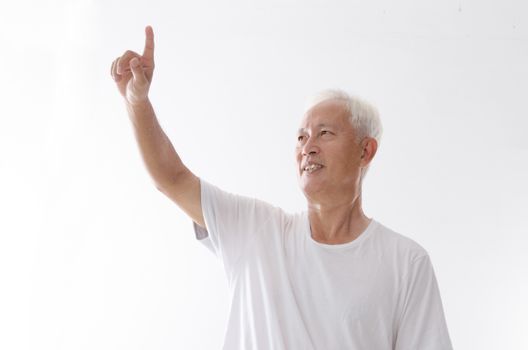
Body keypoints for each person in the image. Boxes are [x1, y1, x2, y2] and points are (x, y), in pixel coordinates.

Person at [110, 26, 453, 350]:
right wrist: (137, 104)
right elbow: (171, 178)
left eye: (325, 133)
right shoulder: (255, 230)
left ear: (366, 150)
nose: (308, 146)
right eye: (301, 137)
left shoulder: (406, 262)